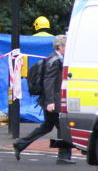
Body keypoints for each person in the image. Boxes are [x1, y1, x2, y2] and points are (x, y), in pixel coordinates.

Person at [13, 35, 75, 164]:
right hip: (53, 101)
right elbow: (49, 82)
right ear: (60, 47)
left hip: (51, 100)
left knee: (47, 127)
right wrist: (50, 102)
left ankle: (20, 144)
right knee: (63, 127)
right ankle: (63, 156)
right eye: (66, 46)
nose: (68, 49)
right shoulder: (54, 61)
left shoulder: (56, 59)